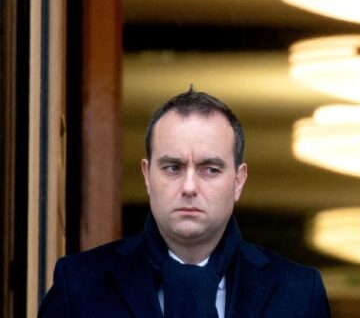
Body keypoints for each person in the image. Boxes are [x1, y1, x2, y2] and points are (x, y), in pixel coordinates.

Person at [39, 89, 330, 317]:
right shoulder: (80, 284)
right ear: (147, 175)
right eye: (173, 168)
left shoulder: (298, 293)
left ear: (239, 181)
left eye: (210, 169)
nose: (189, 187)